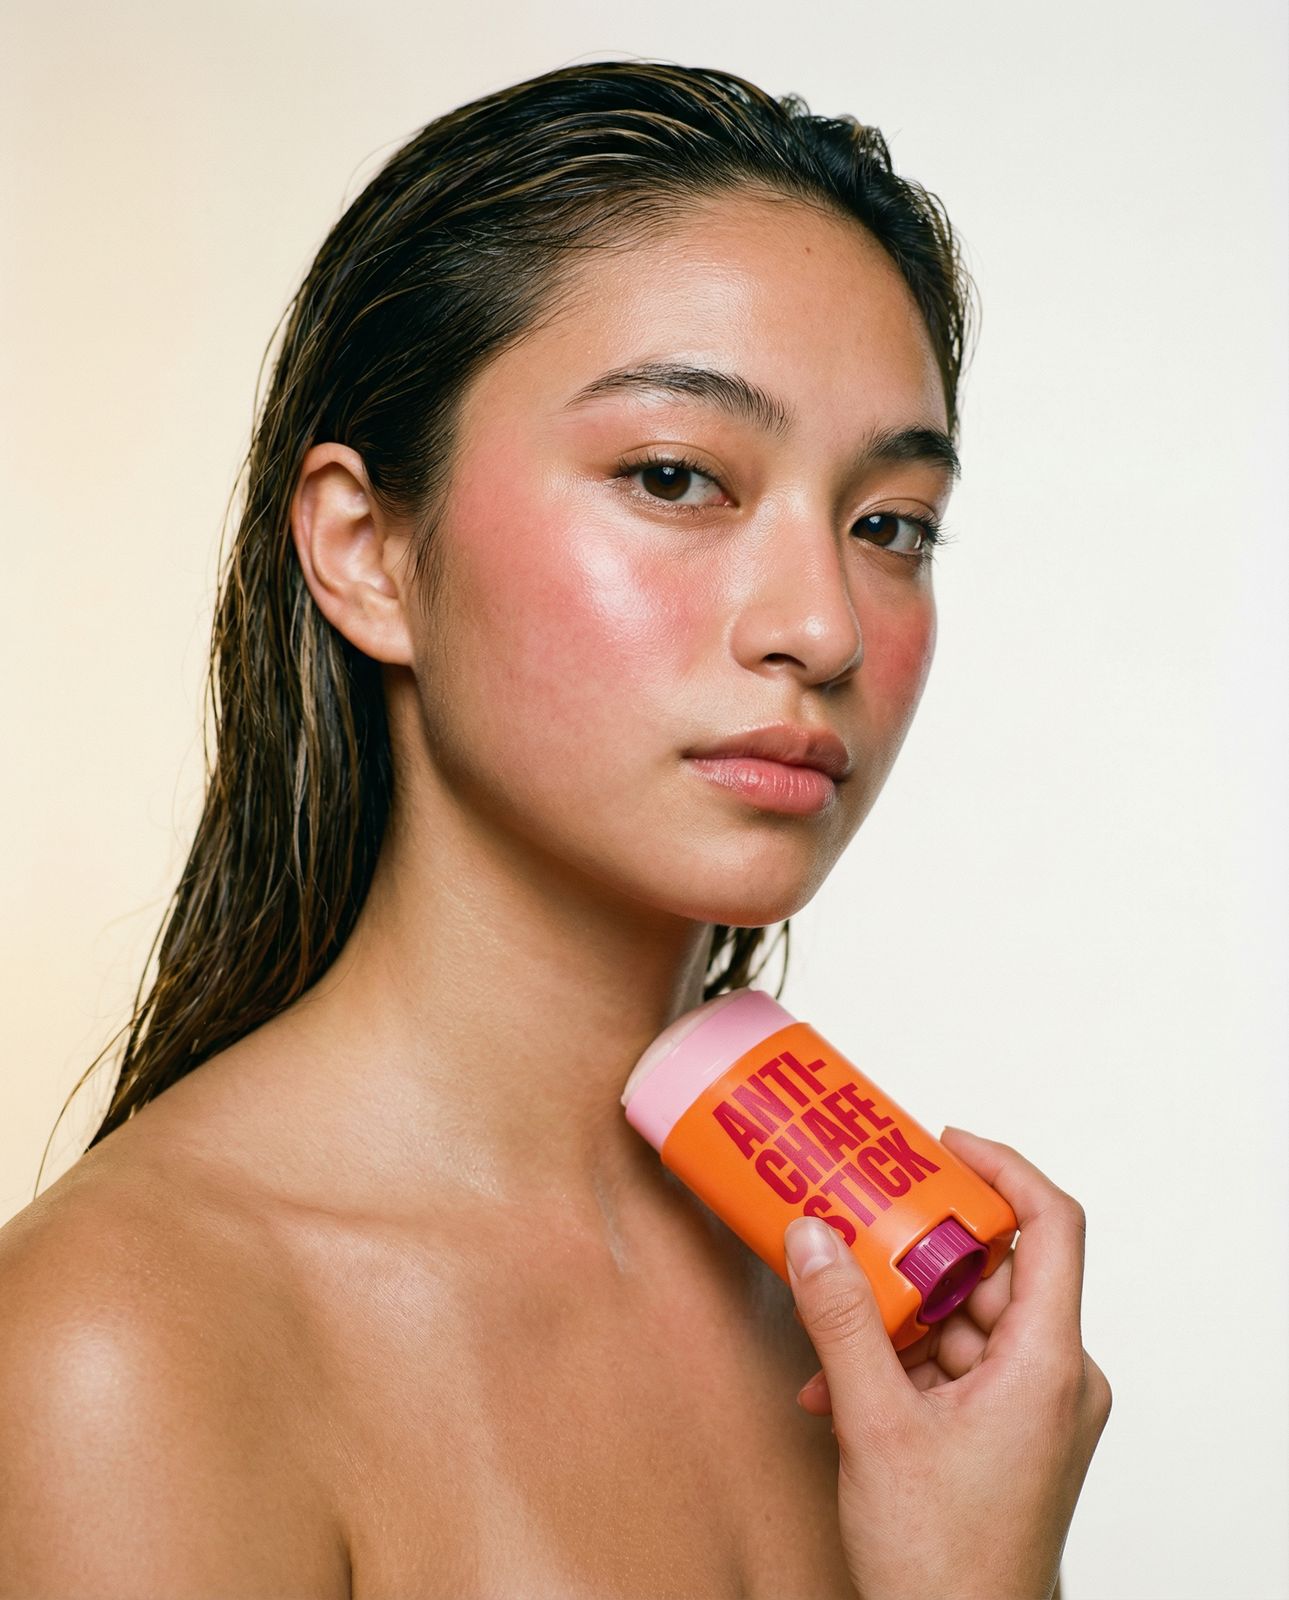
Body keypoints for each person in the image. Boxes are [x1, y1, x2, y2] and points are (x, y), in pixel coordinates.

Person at [0, 59, 1111, 1599]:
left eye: (888, 525)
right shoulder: (125, 1351)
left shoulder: (879, 1294)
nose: (818, 624)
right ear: (368, 551)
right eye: (674, 476)